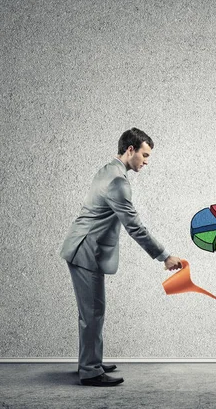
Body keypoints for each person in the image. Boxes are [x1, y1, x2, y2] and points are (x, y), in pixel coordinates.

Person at [60, 128, 182, 387]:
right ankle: (91, 371)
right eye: (144, 155)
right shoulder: (118, 182)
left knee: (91, 311)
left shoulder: (107, 170)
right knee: (93, 312)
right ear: (131, 150)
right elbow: (135, 227)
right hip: (86, 250)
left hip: (83, 246)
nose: (146, 161)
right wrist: (165, 256)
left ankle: (91, 360)